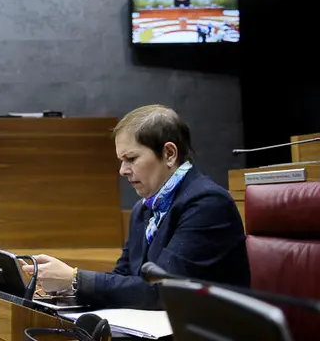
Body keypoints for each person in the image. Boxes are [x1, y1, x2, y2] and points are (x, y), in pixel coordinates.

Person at [22, 104, 250, 309]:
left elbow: (166, 291)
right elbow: (124, 276)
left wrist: (74, 279)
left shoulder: (207, 204)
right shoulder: (144, 209)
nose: (122, 170)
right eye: (121, 160)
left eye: (131, 159)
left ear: (169, 154)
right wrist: (67, 289)